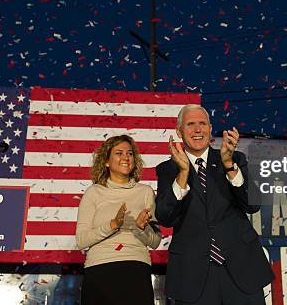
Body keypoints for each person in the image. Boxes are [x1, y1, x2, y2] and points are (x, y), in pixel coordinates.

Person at [156, 104, 274, 304]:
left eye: (202, 123)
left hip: (240, 270)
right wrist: (183, 174)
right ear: (179, 131)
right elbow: (165, 217)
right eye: (191, 124)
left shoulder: (234, 159)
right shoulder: (168, 169)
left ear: (210, 129)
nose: (197, 129)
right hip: (193, 276)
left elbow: (252, 205)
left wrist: (228, 165)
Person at [76, 135, 161, 305]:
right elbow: (81, 240)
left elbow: (155, 241)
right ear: (106, 161)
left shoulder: (145, 192)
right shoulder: (93, 192)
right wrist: (112, 225)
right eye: (119, 153)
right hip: (100, 269)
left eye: (130, 154)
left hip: (136, 269)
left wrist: (140, 228)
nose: (126, 158)